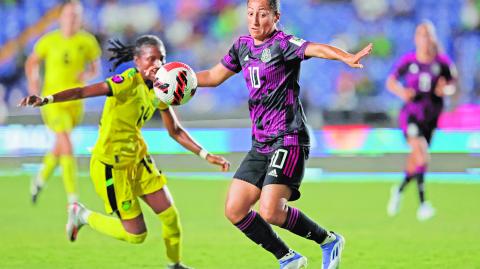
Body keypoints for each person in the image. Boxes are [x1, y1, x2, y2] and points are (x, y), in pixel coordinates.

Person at [19, 35, 230, 269]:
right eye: (151, 59)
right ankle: (82, 215)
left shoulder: (161, 88)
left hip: (139, 160)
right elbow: (82, 92)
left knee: (170, 216)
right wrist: (47, 99)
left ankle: (174, 265)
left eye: (161, 58)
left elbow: (176, 130)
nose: (157, 64)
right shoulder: (125, 82)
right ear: (137, 61)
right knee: (137, 235)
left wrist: (205, 155)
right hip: (111, 167)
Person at [194, 0, 372, 268]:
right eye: (250, 14)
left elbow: (316, 48)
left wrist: (345, 56)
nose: (254, 21)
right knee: (235, 209)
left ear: (276, 16)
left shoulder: (283, 43)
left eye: (262, 14)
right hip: (261, 144)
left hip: (289, 138)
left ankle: (328, 240)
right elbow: (213, 76)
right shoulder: (242, 46)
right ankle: (288, 258)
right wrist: (177, 80)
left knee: (270, 210)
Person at [25, 0, 101, 205]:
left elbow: (95, 68)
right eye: (68, 15)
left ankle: (39, 179)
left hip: (75, 101)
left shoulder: (87, 41)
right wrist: (34, 85)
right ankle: (73, 200)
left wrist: (86, 74)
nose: (71, 19)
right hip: (51, 100)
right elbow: (32, 62)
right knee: (66, 142)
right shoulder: (49, 41)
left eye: (76, 15)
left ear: (80, 18)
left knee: (60, 146)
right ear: (61, 17)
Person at [386, 21, 457, 221]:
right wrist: (402, 92)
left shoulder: (441, 62)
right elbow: (391, 81)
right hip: (411, 115)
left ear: (432, 38)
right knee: (422, 154)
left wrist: (446, 90)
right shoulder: (409, 60)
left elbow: (453, 82)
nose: (425, 39)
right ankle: (423, 205)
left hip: (431, 117)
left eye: (428, 35)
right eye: (421, 35)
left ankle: (398, 190)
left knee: (416, 161)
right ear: (416, 39)